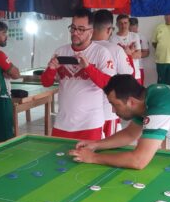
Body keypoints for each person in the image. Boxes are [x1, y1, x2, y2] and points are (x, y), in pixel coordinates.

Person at [70, 74, 170, 170]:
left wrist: (93, 158)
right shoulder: (152, 93)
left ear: (131, 102)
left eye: (115, 104)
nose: (113, 110)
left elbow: (138, 160)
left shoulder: (160, 110)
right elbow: (130, 134)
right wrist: (96, 145)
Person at [41, 8, 115, 140]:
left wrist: (88, 67)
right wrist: (51, 69)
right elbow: (46, 83)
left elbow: (109, 84)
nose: (75, 33)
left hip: (90, 124)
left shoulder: (101, 53)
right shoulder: (60, 51)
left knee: (88, 161)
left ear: (91, 32)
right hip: (62, 124)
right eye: (73, 28)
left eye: (81, 29)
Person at [92, 9, 133, 138]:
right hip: (107, 110)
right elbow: (128, 74)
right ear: (110, 29)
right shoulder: (116, 50)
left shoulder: (83, 49)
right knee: (107, 148)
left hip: (85, 113)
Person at [110, 14, 142, 84]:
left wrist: (125, 54)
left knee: (137, 95)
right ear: (117, 24)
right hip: (121, 75)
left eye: (125, 23)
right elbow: (115, 59)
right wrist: (131, 53)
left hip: (136, 75)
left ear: (129, 23)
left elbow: (139, 55)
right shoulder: (112, 39)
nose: (123, 26)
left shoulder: (135, 36)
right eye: (120, 23)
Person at [129, 17, 150, 85]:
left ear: (137, 26)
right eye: (130, 28)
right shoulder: (124, 37)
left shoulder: (142, 37)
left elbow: (146, 53)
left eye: (134, 28)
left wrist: (134, 55)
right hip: (126, 67)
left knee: (139, 90)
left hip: (139, 67)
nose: (132, 30)